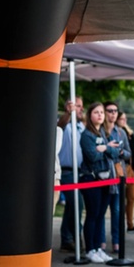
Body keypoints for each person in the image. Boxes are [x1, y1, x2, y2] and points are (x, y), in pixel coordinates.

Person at [78, 102, 115, 264]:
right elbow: (91, 156)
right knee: (92, 214)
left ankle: (99, 247)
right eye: (96, 112)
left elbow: (115, 152)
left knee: (100, 215)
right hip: (91, 178)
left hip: (106, 178)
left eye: (101, 112)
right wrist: (105, 149)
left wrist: (104, 148)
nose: (100, 115)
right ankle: (90, 249)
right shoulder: (87, 135)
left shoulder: (104, 132)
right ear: (89, 115)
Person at [102, 101, 132, 253]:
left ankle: (117, 242)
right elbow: (100, 152)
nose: (113, 113)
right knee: (100, 211)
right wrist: (112, 150)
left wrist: (118, 152)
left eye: (115, 111)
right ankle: (100, 243)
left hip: (118, 175)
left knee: (117, 210)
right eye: (109, 110)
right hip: (103, 175)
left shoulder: (120, 132)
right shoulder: (99, 131)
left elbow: (128, 153)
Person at [57, 97, 84, 252]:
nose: (79, 109)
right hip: (67, 171)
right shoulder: (64, 124)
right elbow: (60, 126)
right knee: (76, 204)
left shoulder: (80, 126)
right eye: (76, 106)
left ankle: (67, 238)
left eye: (80, 106)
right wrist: (68, 114)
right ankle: (73, 237)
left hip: (79, 172)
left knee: (72, 207)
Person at [117, 111, 134, 233]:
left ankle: (130, 223)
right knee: (120, 199)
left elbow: (133, 153)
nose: (124, 121)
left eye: (125, 118)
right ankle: (119, 225)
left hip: (130, 167)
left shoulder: (129, 133)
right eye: (121, 118)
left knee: (132, 197)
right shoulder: (114, 133)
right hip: (120, 168)